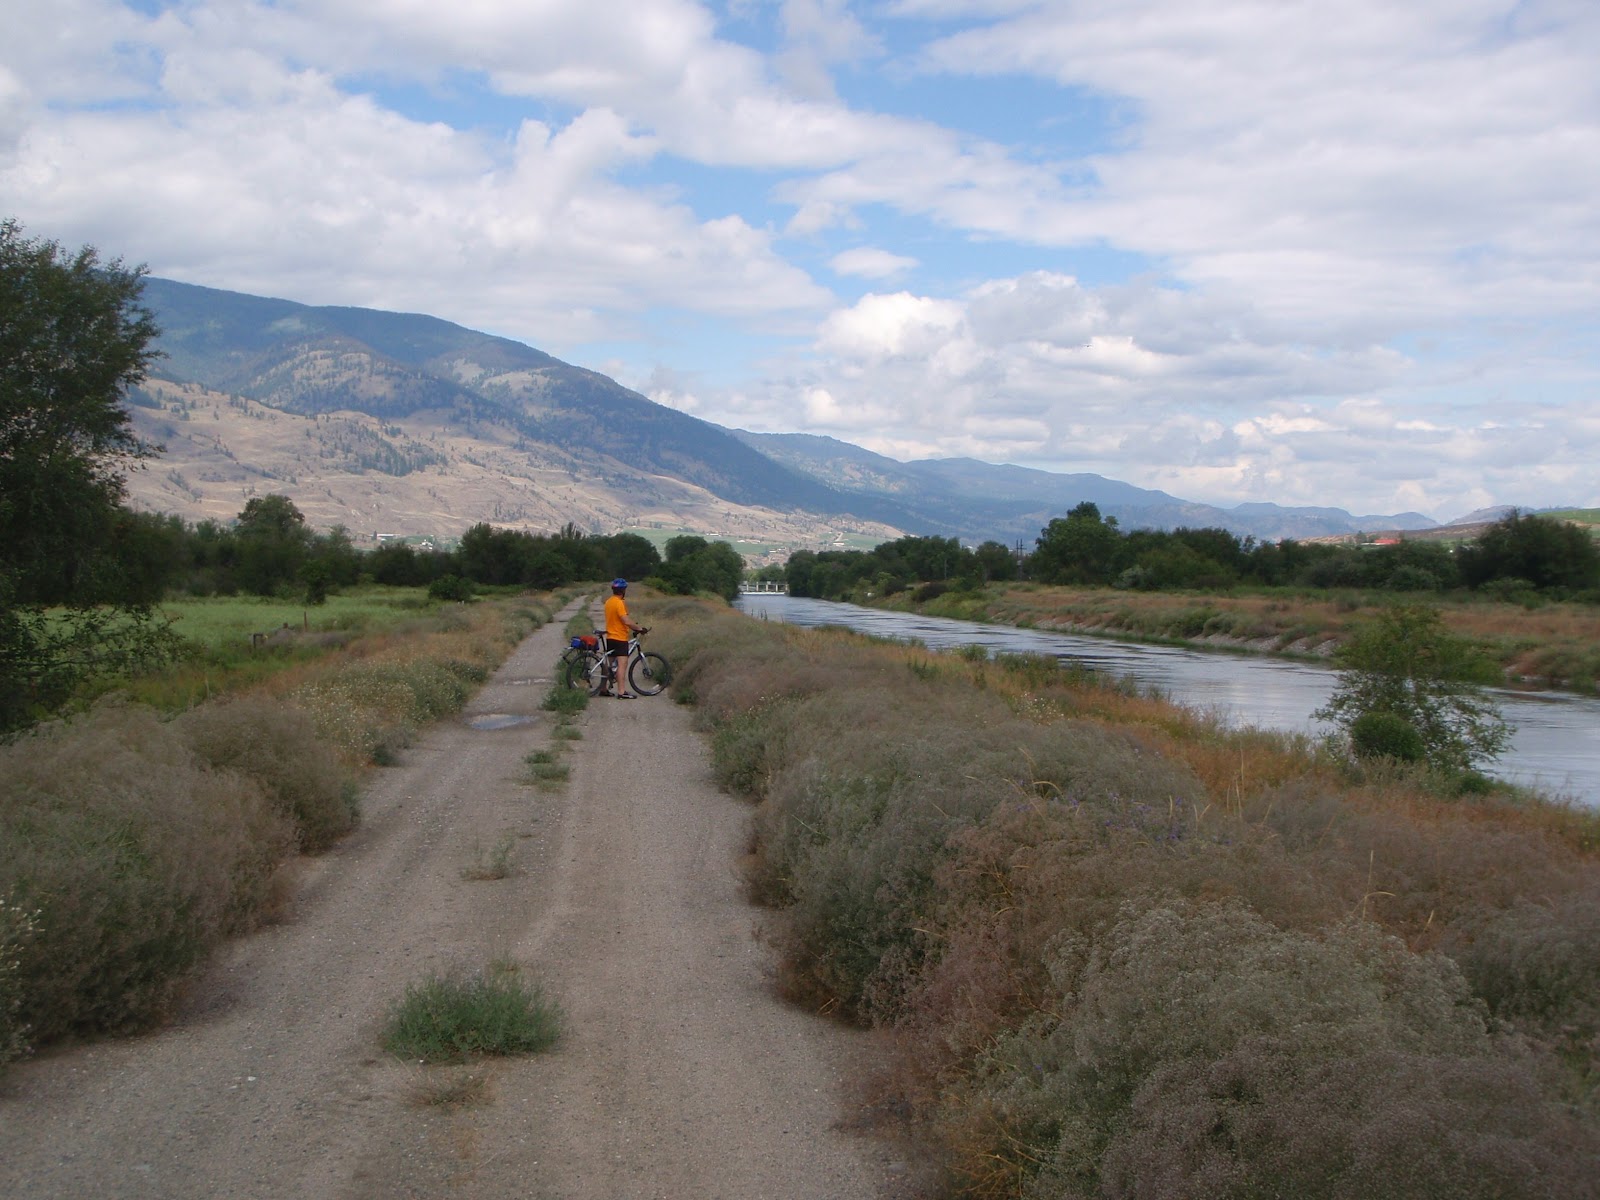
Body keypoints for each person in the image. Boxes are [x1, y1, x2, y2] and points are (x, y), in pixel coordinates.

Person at [601, 578, 645, 698]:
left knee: (608, 665)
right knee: (622, 664)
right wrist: (638, 628)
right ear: (623, 590)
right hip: (619, 638)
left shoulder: (609, 601)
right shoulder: (619, 603)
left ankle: (603, 689)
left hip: (610, 637)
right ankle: (621, 692)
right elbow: (625, 620)